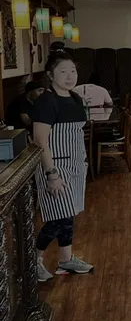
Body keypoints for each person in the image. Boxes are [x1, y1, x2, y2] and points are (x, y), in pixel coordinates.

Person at [33, 51, 93, 282]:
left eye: (73, 71)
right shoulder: (46, 101)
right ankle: (33, 261)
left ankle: (66, 260)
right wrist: (52, 174)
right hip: (55, 166)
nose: (70, 76)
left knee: (67, 215)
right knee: (57, 219)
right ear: (50, 75)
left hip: (75, 164)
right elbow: (40, 141)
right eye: (63, 71)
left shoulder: (75, 98)